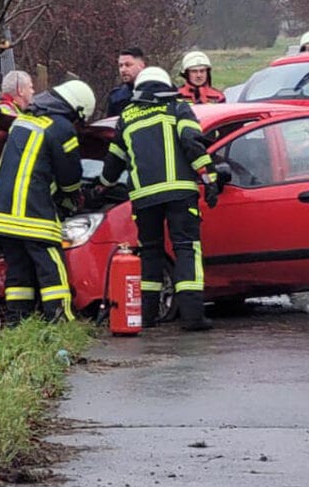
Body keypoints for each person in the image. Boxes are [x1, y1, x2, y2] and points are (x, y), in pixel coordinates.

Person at [98, 66, 220, 331]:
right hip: (179, 193)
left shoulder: (126, 117)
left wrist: (100, 189)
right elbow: (191, 141)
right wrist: (209, 176)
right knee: (186, 248)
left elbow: (113, 163)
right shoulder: (177, 107)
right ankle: (192, 316)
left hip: (144, 198)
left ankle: (149, 315)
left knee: (150, 253)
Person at [0, 80, 96, 324]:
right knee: (51, 266)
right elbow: (69, 176)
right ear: (76, 109)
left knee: (18, 271)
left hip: (2, 214)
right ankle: (60, 319)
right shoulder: (62, 127)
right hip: (32, 213)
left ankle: (17, 323)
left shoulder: (24, 120)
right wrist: (73, 197)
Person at [0, 70, 35, 180]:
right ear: (20, 91)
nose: (33, 91)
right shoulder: (3, 112)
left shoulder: (2, 109)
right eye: (30, 87)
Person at [106, 47, 146, 117]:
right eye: (120, 66)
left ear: (142, 65)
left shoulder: (158, 91)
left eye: (128, 65)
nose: (123, 70)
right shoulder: (116, 97)